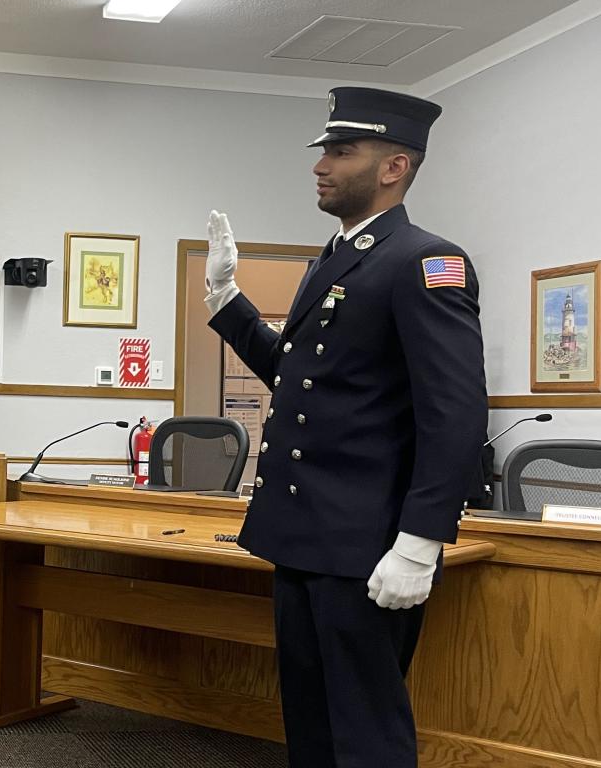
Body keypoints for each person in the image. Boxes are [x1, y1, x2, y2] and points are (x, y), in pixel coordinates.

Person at [204, 87, 487, 767]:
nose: (320, 165)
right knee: (310, 722)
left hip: (368, 545)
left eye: (341, 150)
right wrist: (226, 299)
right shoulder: (334, 260)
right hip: (305, 537)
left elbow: (455, 414)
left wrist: (420, 541)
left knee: (366, 734)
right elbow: (301, 380)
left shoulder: (425, 261)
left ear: (393, 167)